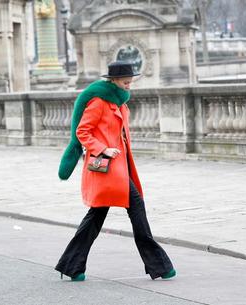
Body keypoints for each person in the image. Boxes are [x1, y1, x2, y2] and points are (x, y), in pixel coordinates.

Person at [55, 61, 176, 282]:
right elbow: (83, 131)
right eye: (125, 81)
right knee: (136, 208)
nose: (129, 84)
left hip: (120, 167)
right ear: (113, 81)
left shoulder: (120, 102)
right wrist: (103, 149)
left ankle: (71, 265)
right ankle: (160, 265)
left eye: (130, 80)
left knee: (95, 217)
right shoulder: (100, 102)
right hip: (108, 168)